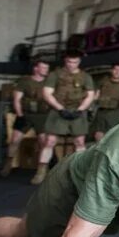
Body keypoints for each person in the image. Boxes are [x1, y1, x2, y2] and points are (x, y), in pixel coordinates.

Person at [34, 51, 96, 186]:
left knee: (79, 142)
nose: (72, 65)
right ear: (65, 61)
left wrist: (81, 109)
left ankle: (81, 173)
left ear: (79, 61)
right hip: (58, 110)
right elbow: (47, 93)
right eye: (69, 62)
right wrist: (60, 108)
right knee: (50, 141)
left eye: (75, 62)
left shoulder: (85, 76)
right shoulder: (55, 74)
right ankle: (41, 172)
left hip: (78, 110)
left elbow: (90, 95)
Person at [1, 59, 50, 177]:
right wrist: (20, 115)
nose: (45, 70)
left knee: (44, 142)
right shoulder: (25, 81)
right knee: (14, 140)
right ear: (36, 69)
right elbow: (17, 100)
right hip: (26, 114)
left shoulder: (49, 82)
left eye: (47, 68)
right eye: (43, 68)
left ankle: (42, 169)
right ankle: (8, 163)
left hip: (43, 115)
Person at [90, 64, 119, 143]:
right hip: (101, 111)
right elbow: (96, 95)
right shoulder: (103, 81)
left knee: (113, 135)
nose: (117, 72)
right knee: (98, 135)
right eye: (115, 69)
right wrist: (90, 107)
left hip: (115, 112)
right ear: (111, 70)